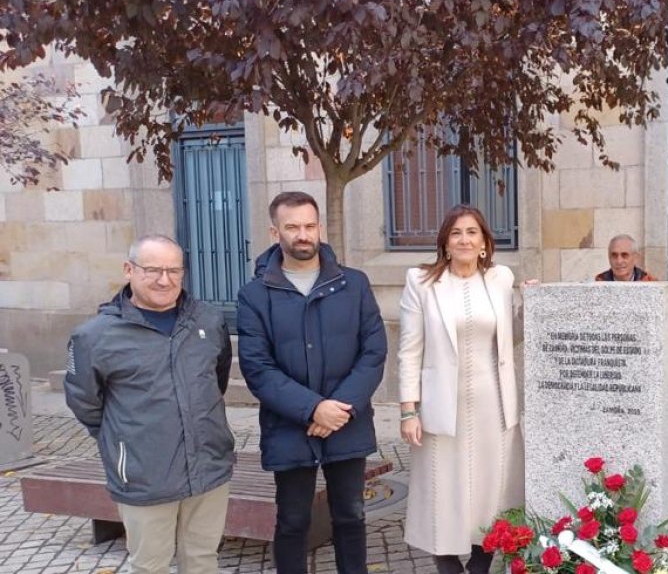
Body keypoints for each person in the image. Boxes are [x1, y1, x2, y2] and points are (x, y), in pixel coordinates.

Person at [64, 235, 234, 574]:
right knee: (149, 566)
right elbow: (85, 402)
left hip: (208, 468)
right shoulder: (95, 337)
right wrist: (125, 440)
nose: (164, 279)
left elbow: (217, 380)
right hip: (144, 475)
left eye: (174, 270)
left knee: (202, 561)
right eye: (153, 270)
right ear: (129, 270)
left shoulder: (208, 321)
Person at [237, 192, 387, 574]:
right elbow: (257, 368)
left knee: (351, 517)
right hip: (289, 427)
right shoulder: (255, 295)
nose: (303, 235)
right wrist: (312, 408)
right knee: (292, 521)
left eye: (309, 225)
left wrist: (338, 408)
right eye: (292, 227)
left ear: (319, 227)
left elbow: (373, 353)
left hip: (346, 422)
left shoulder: (353, 284)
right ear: (275, 232)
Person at [398, 204, 525, 574]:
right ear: (446, 243)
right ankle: (448, 564)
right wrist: (409, 410)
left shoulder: (501, 279)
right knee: (444, 492)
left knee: (491, 491)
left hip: (494, 405)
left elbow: (510, 337)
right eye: (456, 233)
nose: (464, 239)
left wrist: (529, 306)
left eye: (472, 232)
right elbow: (409, 349)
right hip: (442, 407)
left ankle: (482, 564)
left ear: (485, 242)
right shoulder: (421, 282)